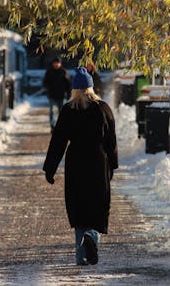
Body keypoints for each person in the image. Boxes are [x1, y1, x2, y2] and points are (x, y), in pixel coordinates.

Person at [42, 67, 118, 266]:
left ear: (74, 89)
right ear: (92, 87)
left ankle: (81, 256)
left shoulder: (68, 110)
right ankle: (92, 237)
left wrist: (50, 168)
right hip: (98, 161)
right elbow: (111, 140)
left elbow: (57, 141)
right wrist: (113, 164)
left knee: (79, 206)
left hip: (76, 162)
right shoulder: (103, 109)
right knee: (97, 204)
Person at [43, 57, 71, 130]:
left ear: (60, 64)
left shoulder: (64, 72)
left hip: (62, 96)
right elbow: (45, 83)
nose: (56, 64)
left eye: (57, 63)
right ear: (52, 63)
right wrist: (48, 86)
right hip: (52, 95)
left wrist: (68, 94)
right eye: (55, 63)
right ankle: (52, 126)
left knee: (62, 112)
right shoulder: (49, 72)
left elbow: (68, 84)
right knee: (52, 112)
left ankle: (62, 127)